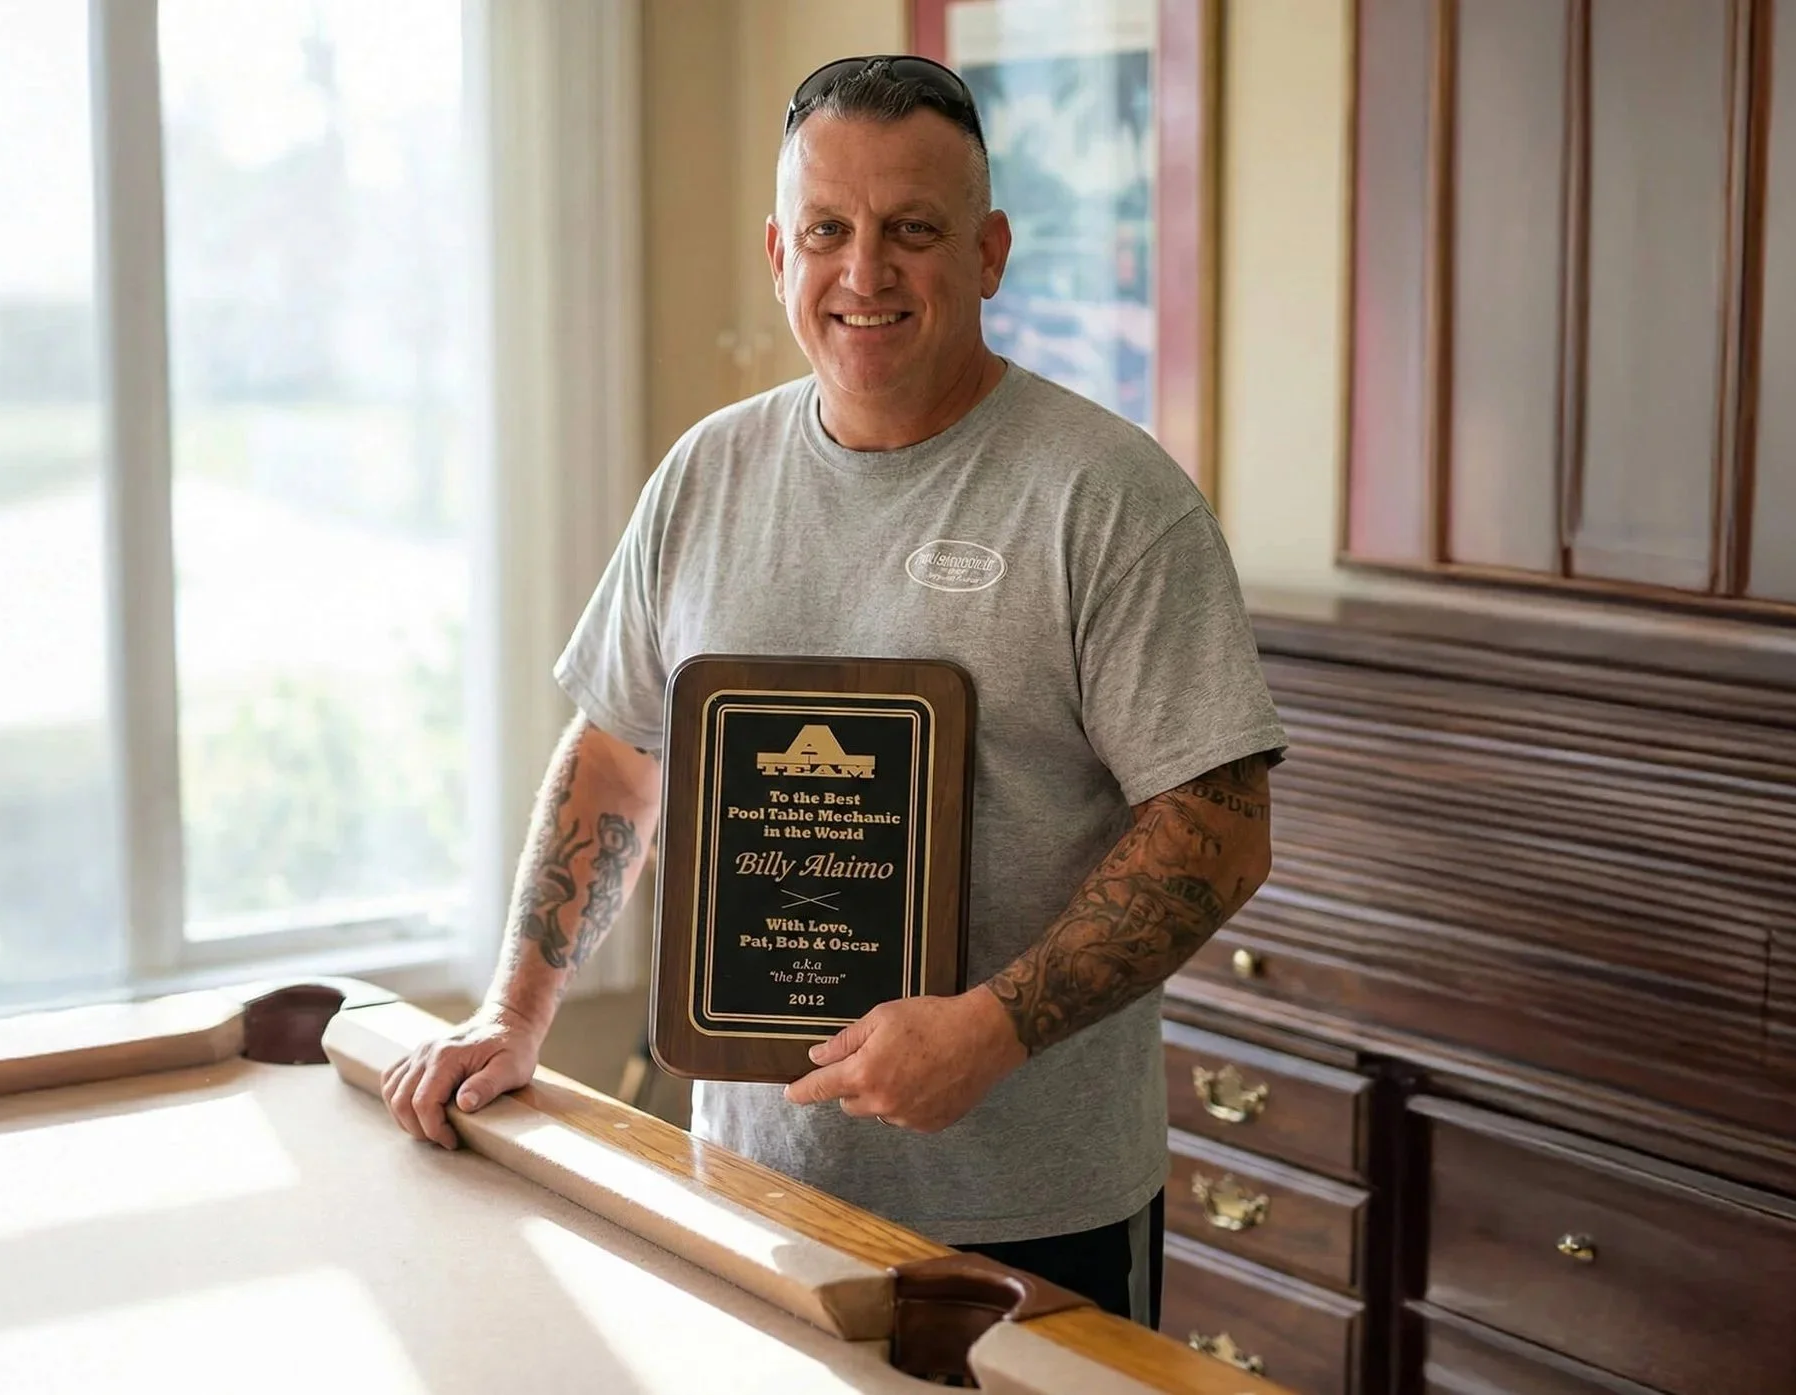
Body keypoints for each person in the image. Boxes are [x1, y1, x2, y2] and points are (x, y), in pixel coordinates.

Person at [381, 54, 1286, 1329]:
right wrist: (513, 1012)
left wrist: (992, 1029)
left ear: (988, 253)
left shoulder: (1109, 500)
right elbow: (620, 758)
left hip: (1032, 1213)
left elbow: (1217, 831)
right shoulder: (704, 477)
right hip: (752, 1184)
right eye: (827, 231)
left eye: (913, 230)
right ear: (778, 254)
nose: (865, 272)